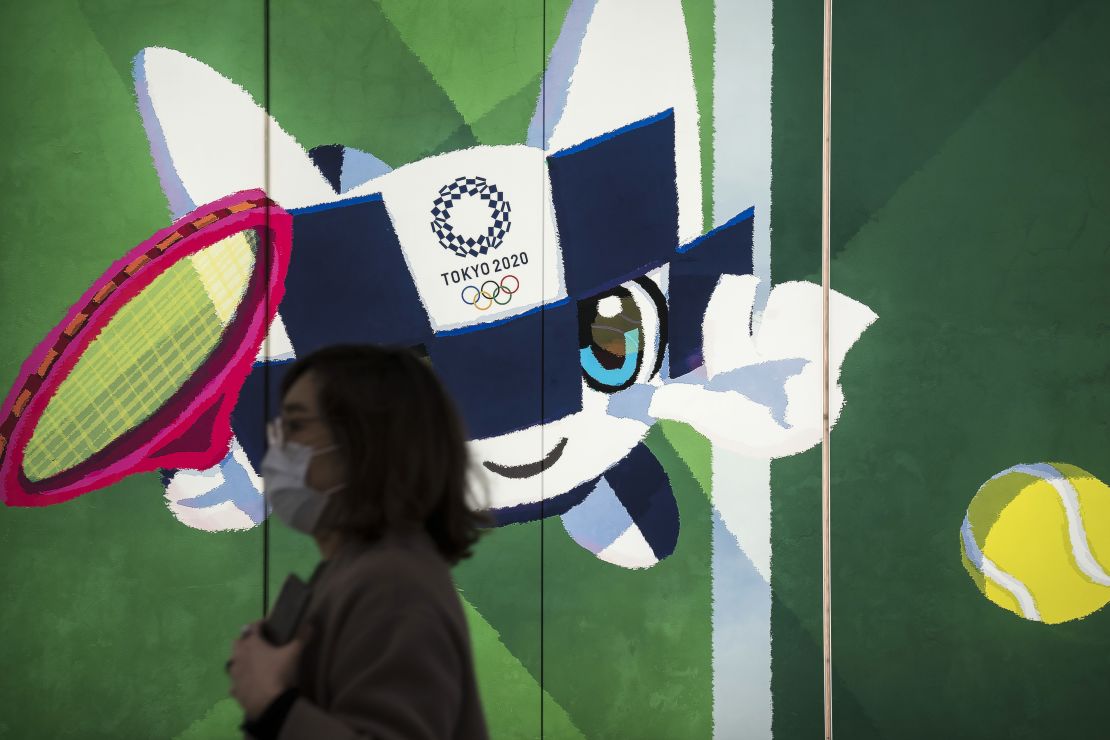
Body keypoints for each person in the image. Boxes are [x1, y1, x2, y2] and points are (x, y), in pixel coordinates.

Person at [226, 344, 491, 739]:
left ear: (364, 442)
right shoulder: (360, 571)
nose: (277, 449)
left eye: (296, 426)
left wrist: (273, 703)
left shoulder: (393, 584)